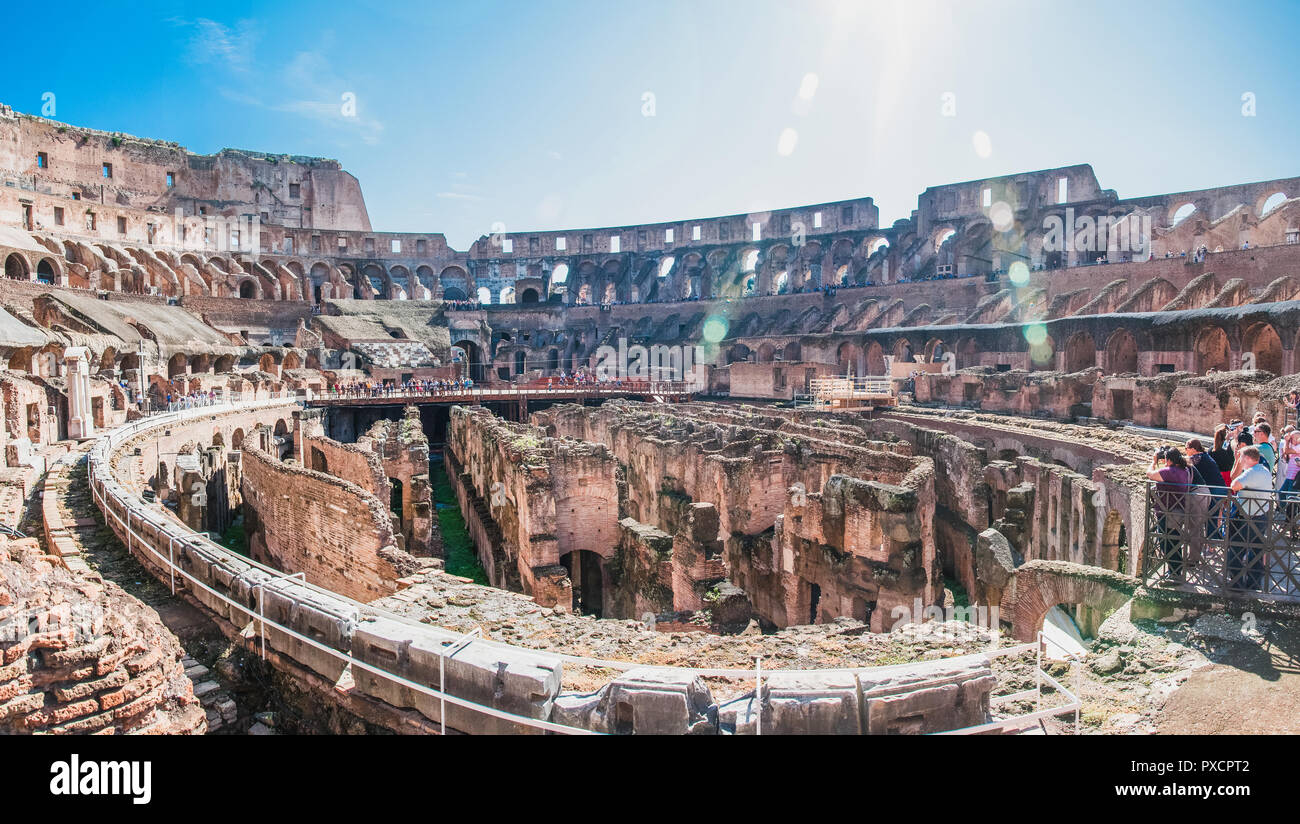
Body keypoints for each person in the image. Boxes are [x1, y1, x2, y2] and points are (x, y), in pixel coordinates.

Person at [1228, 446, 1271, 592]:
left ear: (1246, 458)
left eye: (1241, 458)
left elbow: (1234, 485)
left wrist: (1239, 464)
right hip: (1261, 516)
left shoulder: (1251, 473)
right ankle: (1254, 584)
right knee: (1256, 552)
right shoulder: (1263, 470)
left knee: (1235, 551)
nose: (1239, 460)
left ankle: (1236, 585)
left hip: (1249, 518)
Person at [1146, 447, 1192, 580]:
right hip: (1179, 510)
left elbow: (1150, 474)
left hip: (1168, 511)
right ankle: (1175, 570)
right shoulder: (1184, 470)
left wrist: (1153, 462)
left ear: (1169, 460)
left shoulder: (1169, 471)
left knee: (1166, 541)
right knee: (1174, 540)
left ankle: (1175, 573)